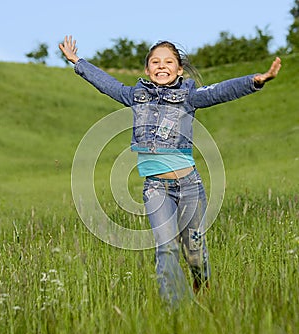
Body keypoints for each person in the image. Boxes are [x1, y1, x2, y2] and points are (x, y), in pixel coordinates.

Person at [59, 36, 281, 306]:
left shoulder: (189, 97)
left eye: (168, 62)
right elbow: (108, 84)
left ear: (179, 70)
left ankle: (203, 280)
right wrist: (77, 62)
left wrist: (255, 81)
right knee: (166, 248)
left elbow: (218, 91)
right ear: (147, 70)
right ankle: (175, 312)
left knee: (194, 251)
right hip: (155, 188)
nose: (161, 66)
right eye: (155, 62)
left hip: (189, 186)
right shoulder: (135, 97)